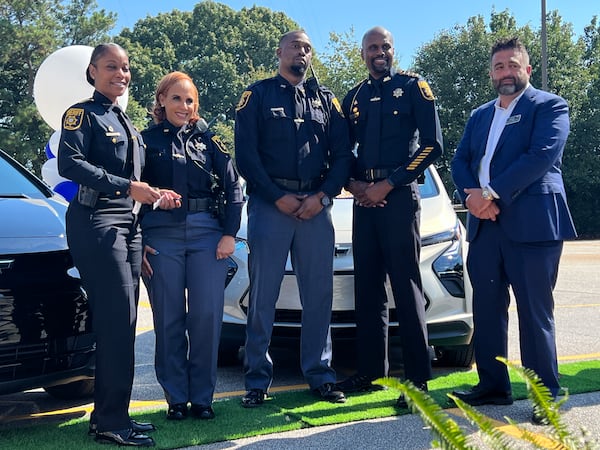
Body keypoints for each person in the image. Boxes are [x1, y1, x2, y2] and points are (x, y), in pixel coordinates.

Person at [450, 37, 577, 424]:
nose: (506, 72)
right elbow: (461, 160)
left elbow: (540, 157)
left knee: (534, 311)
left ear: (527, 69)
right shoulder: (479, 115)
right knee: (487, 310)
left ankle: (545, 394)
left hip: (533, 223)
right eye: (499, 67)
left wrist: (491, 194)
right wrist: (471, 197)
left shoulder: (550, 106)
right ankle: (493, 385)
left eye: (512, 64)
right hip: (485, 228)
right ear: (491, 73)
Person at [234, 30, 353, 407]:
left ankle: (319, 374)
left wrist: (324, 195)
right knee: (263, 295)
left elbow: (343, 155)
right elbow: (246, 154)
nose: (301, 52)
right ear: (279, 51)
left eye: (307, 47)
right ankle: (256, 379)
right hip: (272, 206)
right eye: (295, 46)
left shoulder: (326, 100)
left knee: (318, 295)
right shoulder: (257, 95)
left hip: (316, 206)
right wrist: (276, 196)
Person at [58, 43, 166, 447]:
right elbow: (70, 164)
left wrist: (153, 196)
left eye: (125, 68)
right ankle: (110, 421)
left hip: (129, 225)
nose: (120, 74)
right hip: (96, 219)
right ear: (92, 71)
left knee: (123, 322)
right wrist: (127, 187)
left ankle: (111, 414)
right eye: (110, 67)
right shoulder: (80, 114)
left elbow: (138, 181)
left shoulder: (125, 121)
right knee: (116, 321)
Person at [336, 26, 442, 408]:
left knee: (405, 286)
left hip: (398, 199)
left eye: (385, 46)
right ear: (363, 54)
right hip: (364, 202)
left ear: (393, 50)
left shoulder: (414, 88)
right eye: (372, 48)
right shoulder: (354, 98)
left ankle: (417, 381)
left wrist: (390, 184)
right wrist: (354, 185)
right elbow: (342, 150)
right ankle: (371, 373)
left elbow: (432, 146)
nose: (379, 52)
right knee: (367, 288)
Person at [140, 71, 244, 421]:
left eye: (189, 100)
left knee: (206, 317)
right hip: (160, 236)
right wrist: (137, 242)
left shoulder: (210, 142)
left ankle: (202, 398)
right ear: (161, 102)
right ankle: (175, 398)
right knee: (168, 318)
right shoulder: (144, 141)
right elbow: (131, 196)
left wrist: (229, 234)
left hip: (208, 237)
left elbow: (233, 189)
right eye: (176, 99)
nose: (183, 106)